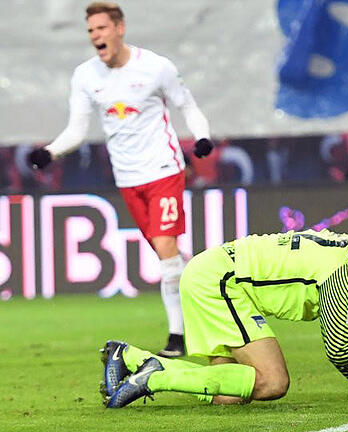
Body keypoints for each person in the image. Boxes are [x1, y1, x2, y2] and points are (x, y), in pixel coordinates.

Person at [27, 2, 214, 357]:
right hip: (128, 179)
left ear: (119, 28)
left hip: (163, 169)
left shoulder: (156, 67)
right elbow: (77, 129)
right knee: (170, 260)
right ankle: (210, 286)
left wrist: (201, 138)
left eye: (101, 28)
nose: (96, 36)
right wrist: (49, 152)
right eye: (91, 31)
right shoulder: (85, 76)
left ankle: (177, 337)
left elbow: (187, 105)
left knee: (165, 251)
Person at [99, 206, 348, 408]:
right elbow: (339, 348)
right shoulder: (341, 265)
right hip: (220, 279)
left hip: (214, 274)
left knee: (228, 394)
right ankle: (155, 376)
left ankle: (131, 357)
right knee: (272, 381)